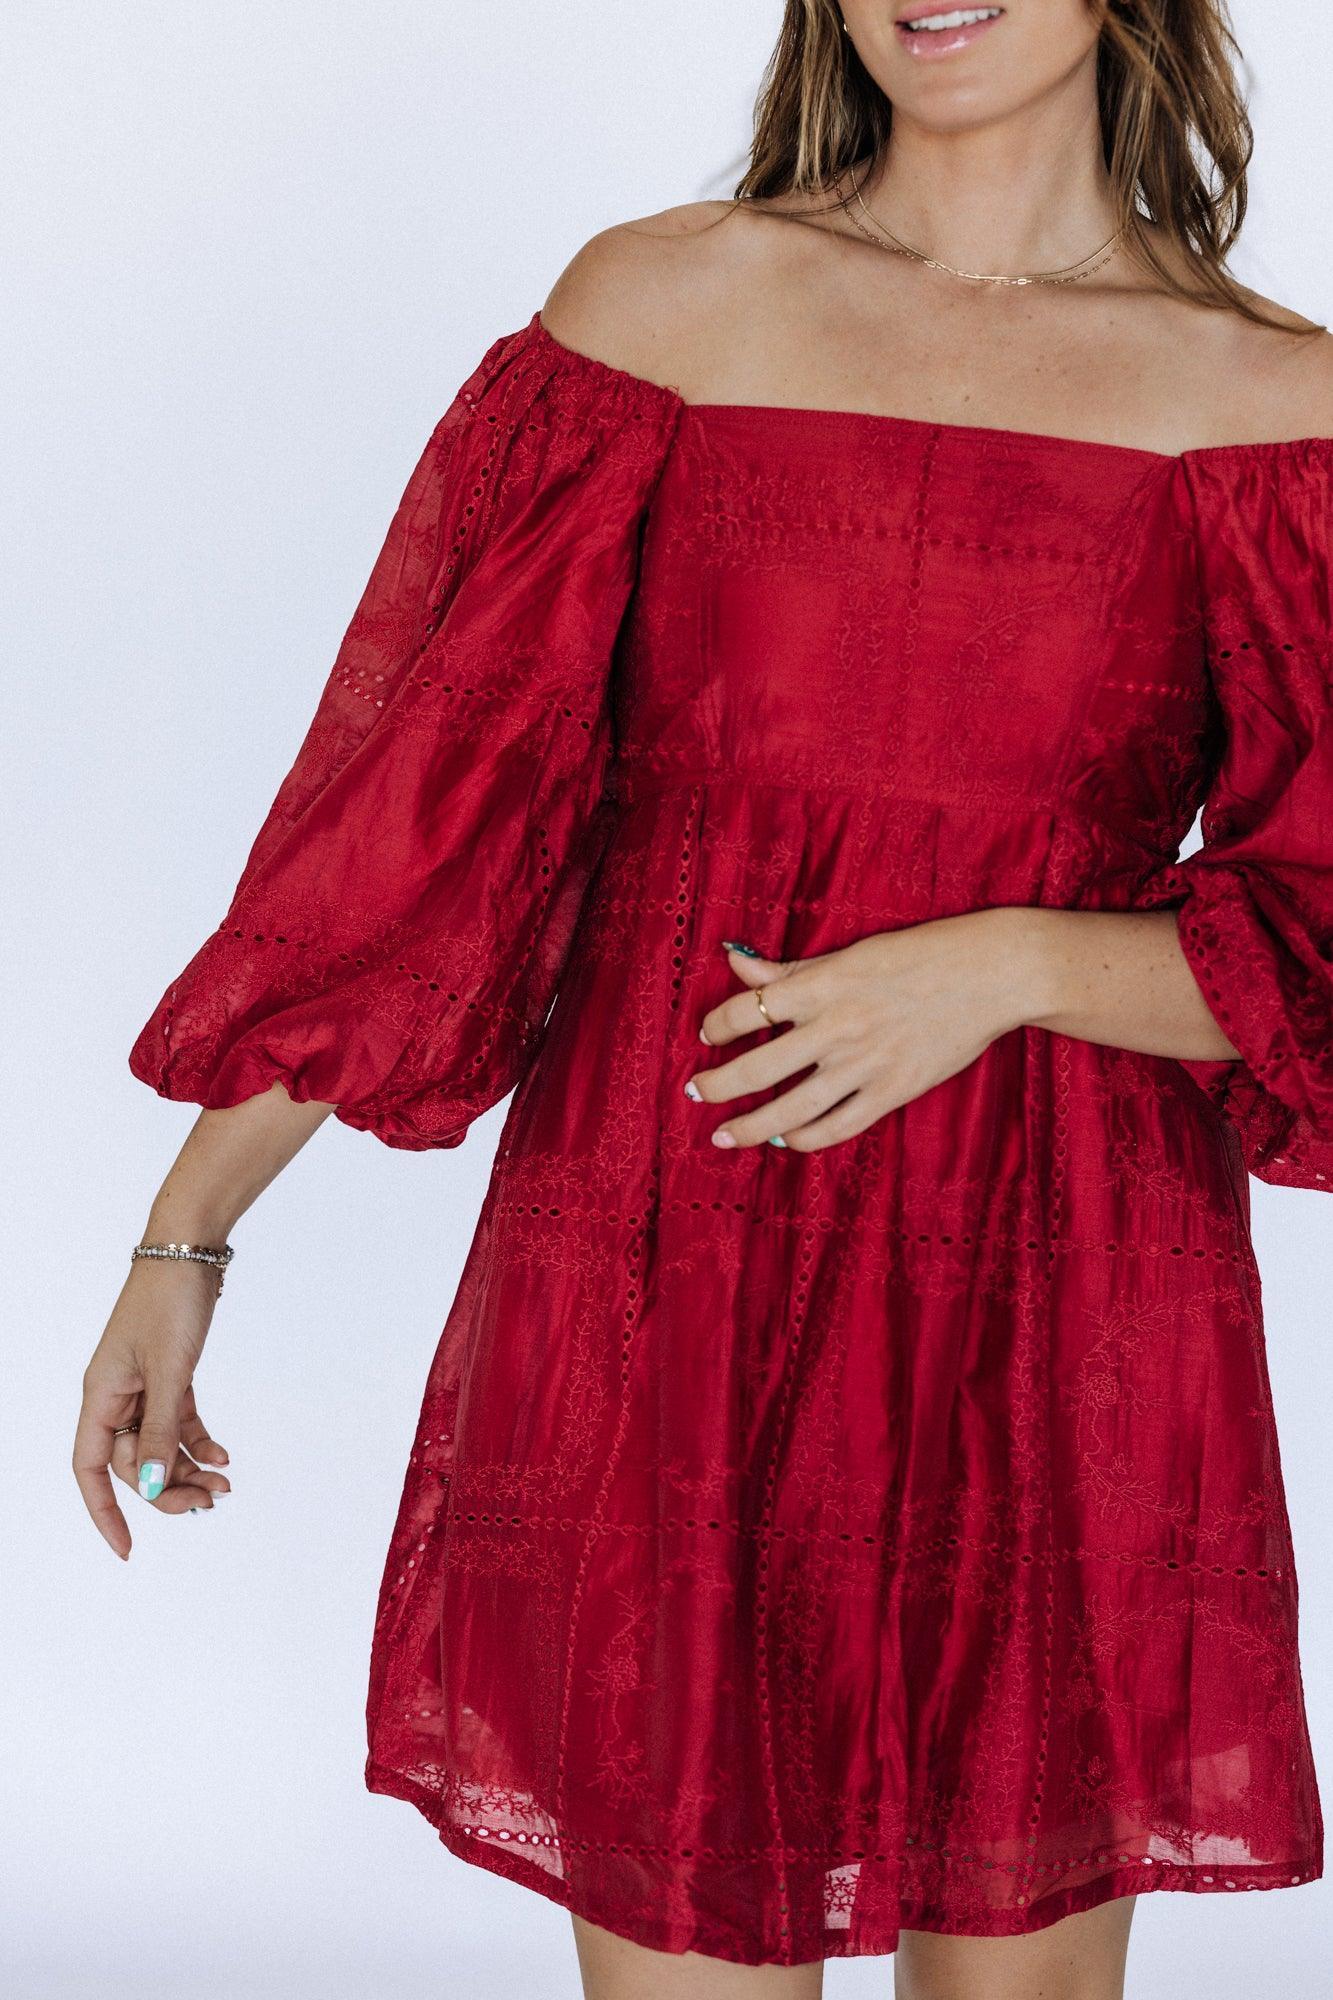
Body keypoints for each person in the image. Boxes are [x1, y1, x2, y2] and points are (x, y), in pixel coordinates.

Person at [76, 3, 1333, 1995]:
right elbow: (427, 835)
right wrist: (187, 1232)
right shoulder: (663, 311)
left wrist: (1005, 966)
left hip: (1055, 1293)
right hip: (669, 1266)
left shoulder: (1272, 405)